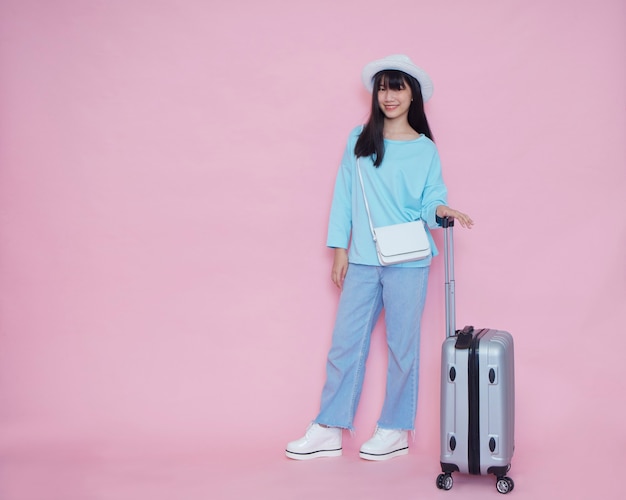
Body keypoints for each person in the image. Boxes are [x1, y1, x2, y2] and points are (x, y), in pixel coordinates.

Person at [285, 54, 473, 461]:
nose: (389, 96)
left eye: (398, 87)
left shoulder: (425, 151)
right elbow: (344, 198)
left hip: (409, 261)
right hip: (364, 260)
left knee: (403, 348)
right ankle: (330, 427)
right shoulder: (359, 138)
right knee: (344, 345)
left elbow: (430, 200)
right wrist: (339, 251)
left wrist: (441, 211)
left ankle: (394, 429)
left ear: (412, 95)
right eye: (383, 87)